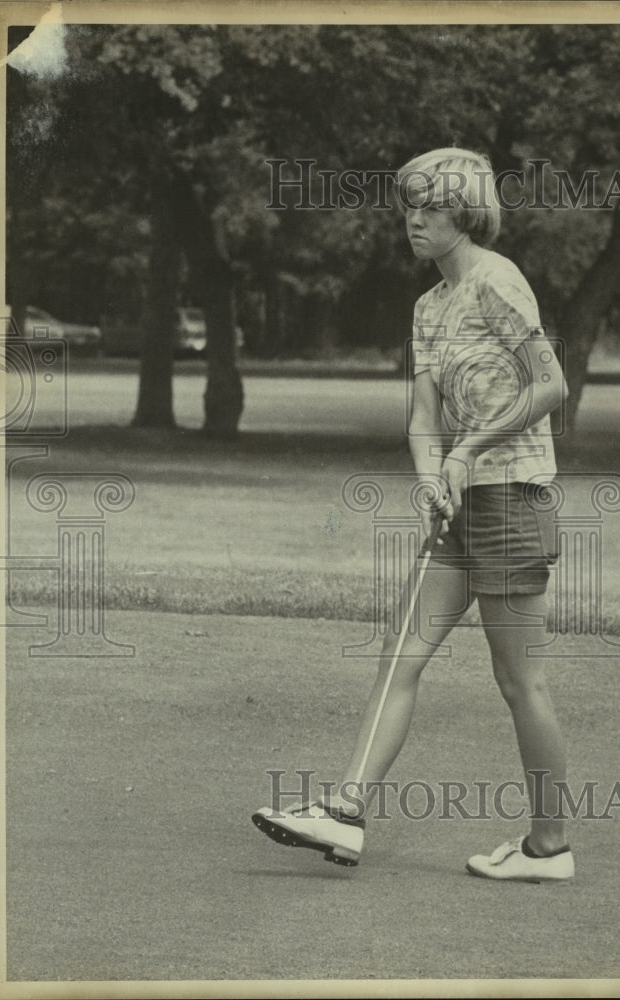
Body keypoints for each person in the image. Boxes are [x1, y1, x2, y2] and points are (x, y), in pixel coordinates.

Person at [253, 148, 572, 882]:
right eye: (408, 207)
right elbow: (424, 414)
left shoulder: (497, 281)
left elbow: (550, 385)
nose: (414, 220)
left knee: (519, 680)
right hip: (459, 504)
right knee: (402, 653)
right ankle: (345, 811)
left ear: (464, 213)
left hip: (512, 498)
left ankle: (550, 847)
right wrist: (432, 472)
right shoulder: (428, 307)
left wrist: (470, 452)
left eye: (429, 207)